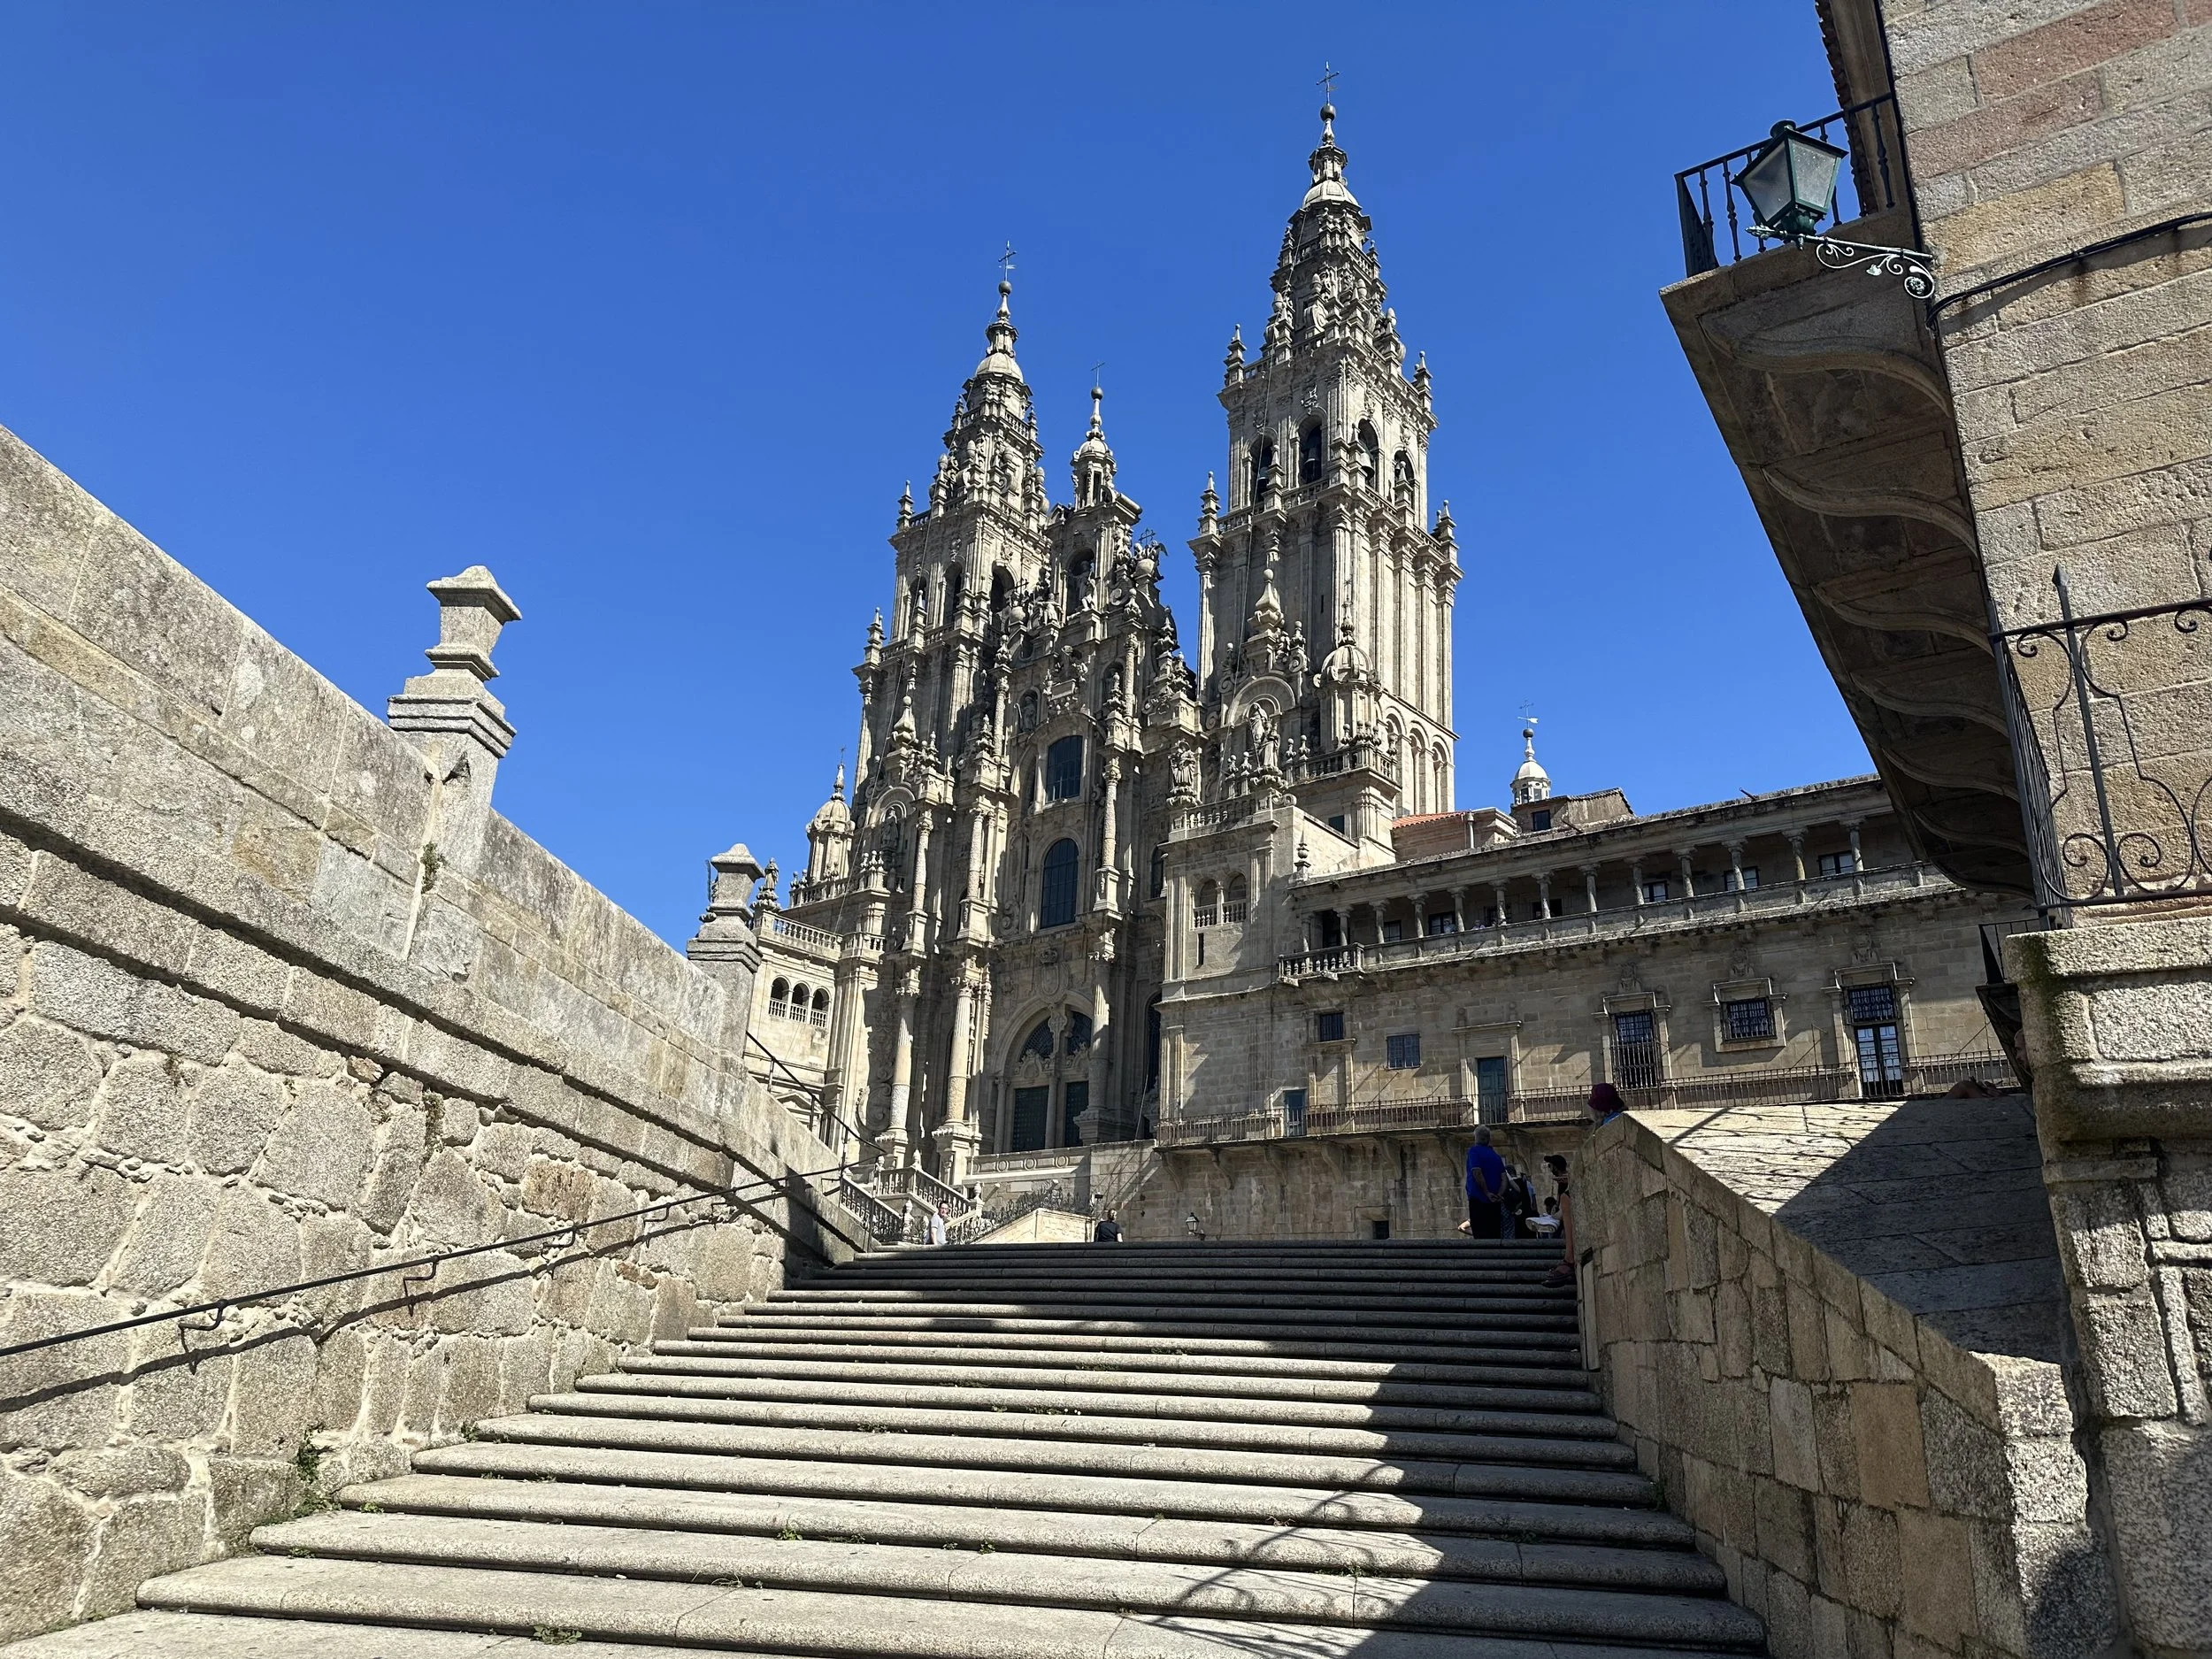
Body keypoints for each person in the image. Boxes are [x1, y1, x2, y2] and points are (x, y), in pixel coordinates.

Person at [1456, 1126, 1509, 1241]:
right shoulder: (1496, 1156)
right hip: (1494, 1202)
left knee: (1480, 1236)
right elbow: (1504, 1179)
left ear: (1476, 1138)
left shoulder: (1473, 1152)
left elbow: (1477, 1172)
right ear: (1488, 1139)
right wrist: (1499, 1195)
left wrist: (1486, 1192)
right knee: (1494, 1236)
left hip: (1478, 1200)